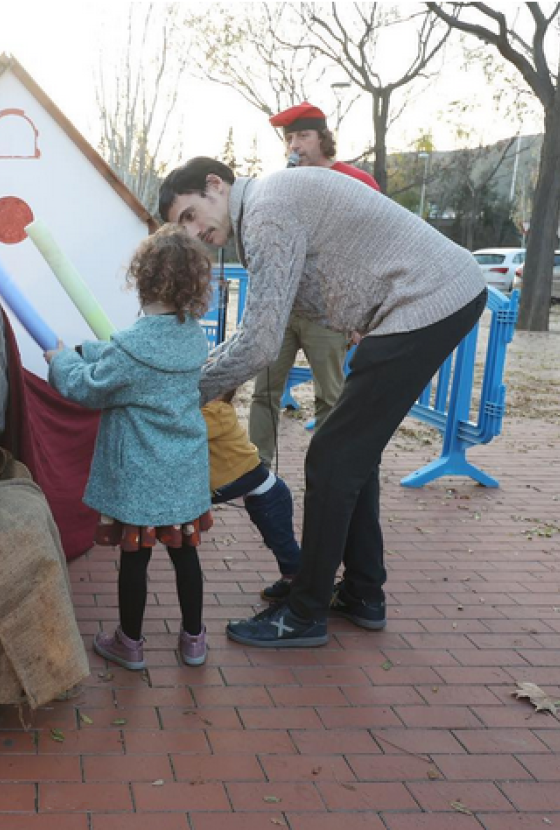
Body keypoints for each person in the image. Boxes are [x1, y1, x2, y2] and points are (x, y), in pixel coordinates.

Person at [159, 157, 487, 648]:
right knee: (350, 455)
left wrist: (185, 392)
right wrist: (196, 378)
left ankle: (304, 613)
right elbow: (255, 334)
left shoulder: (267, 212)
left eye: (189, 215)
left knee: (331, 457)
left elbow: (260, 344)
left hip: (428, 299)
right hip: (429, 298)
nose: (191, 233)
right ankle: (362, 594)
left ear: (215, 186)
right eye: (179, 227)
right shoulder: (269, 207)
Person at [45, 224, 214, 670]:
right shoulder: (193, 336)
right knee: (185, 555)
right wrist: (93, 347)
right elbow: (131, 358)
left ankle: (130, 644)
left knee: (135, 561)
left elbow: (89, 388)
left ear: (141, 279)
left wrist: (62, 358)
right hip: (182, 470)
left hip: (139, 472)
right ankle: (194, 639)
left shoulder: (133, 346)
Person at [249, 102, 380, 468]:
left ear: (323, 138)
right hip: (283, 308)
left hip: (330, 312)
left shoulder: (357, 181)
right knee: (265, 391)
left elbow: (374, 251)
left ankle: (327, 469)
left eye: (303, 136)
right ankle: (257, 469)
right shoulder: (282, 184)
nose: (295, 145)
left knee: (331, 397)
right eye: (289, 138)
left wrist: (363, 317)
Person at [204, 389, 300, 601]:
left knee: (282, 543)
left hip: (270, 496)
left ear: (219, 394)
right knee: (277, 541)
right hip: (260, 496)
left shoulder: (215, 412)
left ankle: (302, 586)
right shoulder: (213, 408)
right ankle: (290, 579)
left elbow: (183, 429)